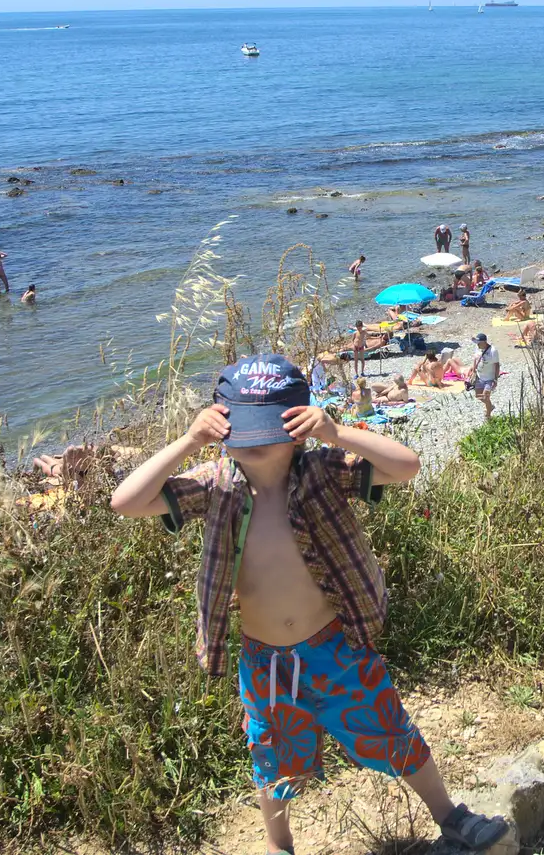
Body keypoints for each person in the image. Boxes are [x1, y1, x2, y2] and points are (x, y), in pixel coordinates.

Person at [110, 355, 508, 854]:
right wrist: (190, 440)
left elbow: (406, 466)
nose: (255, 445)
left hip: (336, 647)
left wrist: (336, 432)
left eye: (268, 431)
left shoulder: (323, 469)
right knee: (272, 756)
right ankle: (280, 844)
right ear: (222, 430)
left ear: (298, 429)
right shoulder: (215, 486)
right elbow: (124, 502)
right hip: (263, 661)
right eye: (241, 432)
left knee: (390, 728)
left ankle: (450, 815)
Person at [470, 333, 498, 421]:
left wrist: (495, 379)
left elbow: (497, 365)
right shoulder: (477, 348)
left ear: (484, 342)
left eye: (479, 342)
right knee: (478, 396)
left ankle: (488, 416)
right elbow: (475, 358)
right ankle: (490, 406)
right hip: (479, 377)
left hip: (489, 378)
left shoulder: (493, 351)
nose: (477, 344)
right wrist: (473, 369)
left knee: (486, 397)